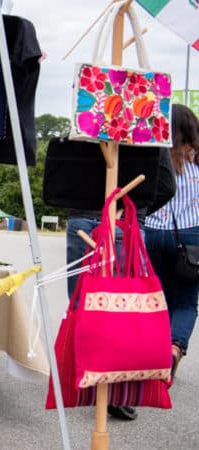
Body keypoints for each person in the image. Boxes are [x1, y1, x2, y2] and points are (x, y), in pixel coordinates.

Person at [64, 134, 176, 421]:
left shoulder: (84, 123)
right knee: (124, 308)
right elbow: (166, 185)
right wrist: (139, 209)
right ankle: (115, 387)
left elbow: (61, 174)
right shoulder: (149, 133)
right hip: (125, 220)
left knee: (84, 304)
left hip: (82, 219)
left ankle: (86, 374)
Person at [144, 104, 199, 381]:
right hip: (191, 236)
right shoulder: (196, 163)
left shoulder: (155, 159)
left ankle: (156, 354)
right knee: (187, 300)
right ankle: (175, 347)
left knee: (160, 298)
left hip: (153, 232)